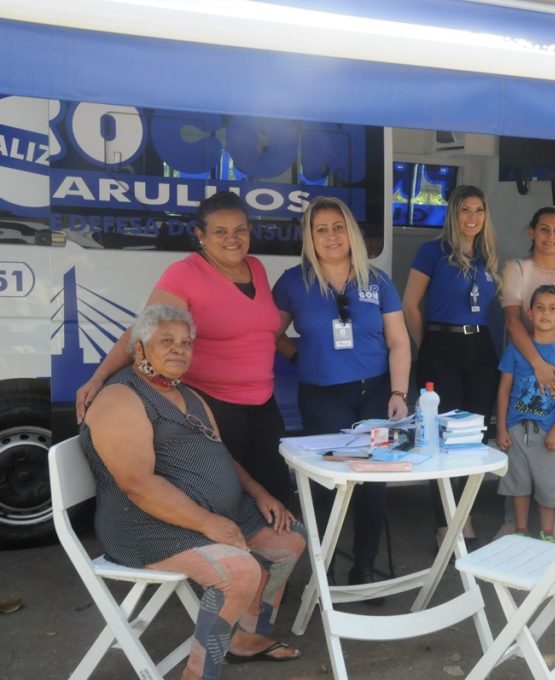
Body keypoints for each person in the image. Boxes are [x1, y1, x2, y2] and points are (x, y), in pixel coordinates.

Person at [80, 304, 305, 679]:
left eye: (186, 342)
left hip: (213, 515)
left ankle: (246, 637)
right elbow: (137, 485)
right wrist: (209, 524)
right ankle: (199, 673)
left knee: (290, 541)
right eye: (166, 341)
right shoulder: (121, 398)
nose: (179, 349)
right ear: (140, 348)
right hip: (147, 526)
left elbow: (220, 453)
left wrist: (259, 492)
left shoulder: (188, 395)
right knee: (239, 572)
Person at [75, 191, 292, 504]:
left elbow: (259, 328)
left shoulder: (256, 267)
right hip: (214, 405)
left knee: (277, 492)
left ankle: (275, 539)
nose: (232, 239)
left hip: (263, 404)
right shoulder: (185, 274)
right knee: (228, 497)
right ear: (200, 235)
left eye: (240, 230)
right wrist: (98, 378)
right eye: (220, 232)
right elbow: (143, 330)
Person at [273, 196, 410, 592]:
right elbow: (270, 333)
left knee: (373, 483)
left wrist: (399, 392)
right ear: (310, 238)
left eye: (338, 228)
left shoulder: (377, 281)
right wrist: (296, 355)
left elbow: (399, 342)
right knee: (328, 484)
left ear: (350, 232)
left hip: (376, 393)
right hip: (323, 397)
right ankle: (326, 570)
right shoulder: (293, 282)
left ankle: (363, 567)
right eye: (321, 230)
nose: (331, 236)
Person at [402, 185, 501, 550]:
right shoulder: (432, 252)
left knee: (473, 437)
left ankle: (465, 516)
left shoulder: (488, 257)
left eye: (479, 210)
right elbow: (410, 304)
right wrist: (426, 345)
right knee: (442, 437)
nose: (472, 217)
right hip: (441, 345)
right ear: (453, 214)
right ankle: (445, 522)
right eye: (465, 210)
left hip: (481, 347)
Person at [497, 207, 555, 537]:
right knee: (517, 451)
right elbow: (512, 321)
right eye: (544, 229)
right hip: (526, 364)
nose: (551, 236)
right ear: (532, 232)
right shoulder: (516, 268)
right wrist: (538, 365)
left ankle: (553, 527)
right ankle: (513, 524)